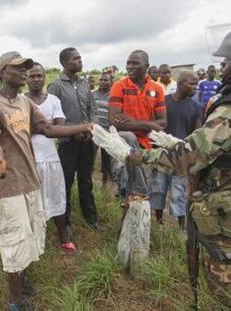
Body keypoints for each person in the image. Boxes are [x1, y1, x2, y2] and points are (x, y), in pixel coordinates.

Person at [93, 31, 231, 309]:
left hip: (222, 211)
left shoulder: (225, 110)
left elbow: (183, 154)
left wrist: (128, 153)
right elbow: (118, 120)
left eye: (227, 61)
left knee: (222, 286)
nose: (224, 68)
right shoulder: (121, 86)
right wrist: (175, 142)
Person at [0, 51, 94, 310]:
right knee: (15, 240)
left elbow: (48, 129)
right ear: (3, 72)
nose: (24, 72)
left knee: (29, 235)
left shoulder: (25, 104)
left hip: (30, 180)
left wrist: (83, 127)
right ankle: (15, 302)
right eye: (18, 68)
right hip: (9, 183)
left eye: (26, 68)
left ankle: (21, 281)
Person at [107, 49, 166, 272]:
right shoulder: (119, 86)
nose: (130, 67)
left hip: (147, 150)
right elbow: (115, 123)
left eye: (135, 63)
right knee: (130, 191)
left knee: (138, 194)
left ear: (147, 65)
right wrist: (148, 124)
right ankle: (126, 237)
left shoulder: (156, 89)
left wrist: (135, 122)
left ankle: (133, 237)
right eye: (128, 63)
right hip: (123, 150)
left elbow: (163, 122)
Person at [25, 62, 77, 254]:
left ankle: (63, 237)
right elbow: (21, 130)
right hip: (29, 159)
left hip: (51, 157)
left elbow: (59, 127)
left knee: (56, 196)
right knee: (32, 200)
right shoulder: (21, 101)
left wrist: (40, 127)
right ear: (26, 78)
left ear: (45, 77)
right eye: (32, 76)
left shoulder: (53, 99)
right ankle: (34, 239)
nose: (36, 79)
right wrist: (47, 126)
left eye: (39, 75)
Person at [48, 47, 100, 233]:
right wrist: (72, 131)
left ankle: (91, 218)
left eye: (80, 58)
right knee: (66, 182)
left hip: (87, 141)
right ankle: (66, 221)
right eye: (75, 59)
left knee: (86, 181)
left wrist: (90, 126)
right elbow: (53, 116)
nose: (80, 61)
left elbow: (92, 109)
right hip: (68, 143)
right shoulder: (56, 86)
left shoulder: (85, 83)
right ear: (64, 63)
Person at [149, 70, 202, 229]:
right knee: (158, 188)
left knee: (178, 192)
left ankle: (180, 228)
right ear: (180, 83)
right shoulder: (163, 102)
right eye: (192, 84)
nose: (196, 87)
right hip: (162, 154)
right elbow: (154, 125)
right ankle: (159, 224)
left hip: (181, 157)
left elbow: (197, 134)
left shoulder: (197, 107)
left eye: (197, 84)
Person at [92, 72, 113, 185]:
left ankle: (106, 182)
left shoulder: (113, 96)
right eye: (101, 80)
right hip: (94, 131)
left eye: (106, 80)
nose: (103, 82)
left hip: (107, 131)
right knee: (90, 158)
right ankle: (90, 181)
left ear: (111, 82)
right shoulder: (93, 94)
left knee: (106, 159)